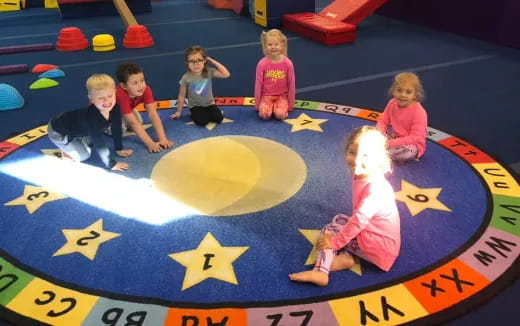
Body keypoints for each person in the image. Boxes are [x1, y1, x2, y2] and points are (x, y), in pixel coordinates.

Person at [289, 126, 400, 286]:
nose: (357, 160)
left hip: (377, 247)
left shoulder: (376, 189)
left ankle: (321, 271)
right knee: (341, 219)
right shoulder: (366, 174)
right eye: (353, 152)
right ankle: (348, 258)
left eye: (365, 155)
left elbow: (359, 221)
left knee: (329, 230)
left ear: (379, 160)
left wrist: (335, 243)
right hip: (381, 242)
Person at [47, 74, 132, 171]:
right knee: (84, 156)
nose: (107, 101)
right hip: (58, 131)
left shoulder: (115, 107)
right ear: (91, 98)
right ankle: (66, 149)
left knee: (91, 139)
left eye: (110, 95)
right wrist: (111, 164)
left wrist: (119, 148)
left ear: (115, 92)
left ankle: (79, 138)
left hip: (78, 127)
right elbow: (99, 143)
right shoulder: (92, 119)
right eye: (100, 98)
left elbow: (116, 127)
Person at [116, 62, 174, 153]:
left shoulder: (146, 89)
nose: (140, 86)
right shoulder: (120, 95)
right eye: (135, 83)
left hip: (125, 109)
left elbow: (153, 114)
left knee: (139, 122)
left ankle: (124, 117)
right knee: (121, 130)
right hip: (106, 113)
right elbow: (132, 122)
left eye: (142, 81)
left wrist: (163, 139)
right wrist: (150, 143)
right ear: (123, 86)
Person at [169, 46, 231, 126]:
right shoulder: (186, 77)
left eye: (199, 60)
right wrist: (178, 112)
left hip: (210, 104)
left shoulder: (209, 72)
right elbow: (181, 96)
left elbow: (226, 74)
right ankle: (194, 114)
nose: (196, 64)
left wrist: (212, 61)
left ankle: (210, 113)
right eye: (191, 61)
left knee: (219, 119)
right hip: (195, 106)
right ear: (187, 63)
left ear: (205, 61)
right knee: (202, 122)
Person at [376, 72, 428, 164]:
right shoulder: (392, 103)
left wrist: (390, 144)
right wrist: (381, 134)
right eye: (399, 90)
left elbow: (415, 137)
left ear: (415, 95)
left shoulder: (419, 112)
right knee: (371, 133)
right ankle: (386, 152)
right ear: (394, 91)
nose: (403, 95)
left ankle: (385, 154)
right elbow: (383, 120)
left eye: (408, 92)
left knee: (407, 152)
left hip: (412, 146)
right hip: (394, 138)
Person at [254, 29, 295, 120]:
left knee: (280, 115)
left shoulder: (288, 63)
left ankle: (277, 107)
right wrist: (257, 105)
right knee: (264, 115)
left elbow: (291, 84)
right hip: (266, 96)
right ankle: (270, 107)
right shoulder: (262, 64)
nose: (273, 47)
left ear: (282, 45)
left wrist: (290, 105)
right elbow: (258, 85)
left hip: (281, 96)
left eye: (276, 44)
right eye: (270, 44)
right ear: (265, 46)